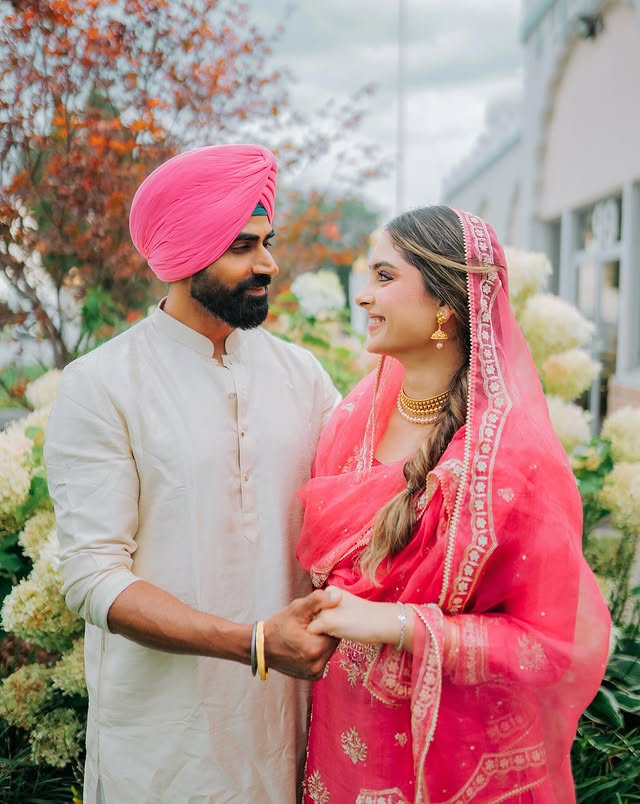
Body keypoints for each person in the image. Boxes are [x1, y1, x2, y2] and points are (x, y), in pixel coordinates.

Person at [44, 144, 342, 804]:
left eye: (267, 242)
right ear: (182, 254)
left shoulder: (304, 378)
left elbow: (355, 521)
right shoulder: (102, 385)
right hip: (161, 751)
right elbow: (94, 576)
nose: (267, 264)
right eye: (242, 246)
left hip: (291, 735)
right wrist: (255, 643)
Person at [296, 206, 611, 803]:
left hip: (451, 770)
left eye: (385, 277)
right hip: (337, 753)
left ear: (445, 303)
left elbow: (551, 648)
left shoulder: (514, 461)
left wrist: (397, 624)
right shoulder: (350, 423)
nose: (363, 297)